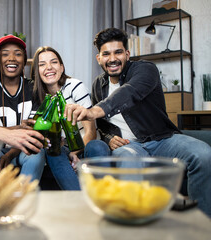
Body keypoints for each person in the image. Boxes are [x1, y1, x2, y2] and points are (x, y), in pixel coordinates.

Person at [64, 27, 211, 217]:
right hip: (128, 146)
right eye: (106, 54)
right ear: (99, 58)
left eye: (118, 52)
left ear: (127, 53)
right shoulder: (98, 84)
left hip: (162, 139)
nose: (113, 59)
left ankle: (203, 222)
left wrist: (93, 111)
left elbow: (129, 93)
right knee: (129, 162)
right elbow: (104, 126)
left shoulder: (145, 69)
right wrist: (109, 138)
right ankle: (133, 226)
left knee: (203, 154)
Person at [31, 46, 110, 190]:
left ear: (61, 67)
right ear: (37, 71)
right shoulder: (37, 98)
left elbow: (91, 132)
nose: (49, 67)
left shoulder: (75, 86)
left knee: (98, 146)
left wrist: (75, 153)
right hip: (62, 149)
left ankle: (103, 197)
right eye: (42, 64)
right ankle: (79, 200)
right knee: (53, 151)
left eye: (54, 62)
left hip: (87, 144)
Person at [0, 35, 46, 182]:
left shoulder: (34, 88)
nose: (12, 58)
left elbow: (34, 131)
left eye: (18, 54)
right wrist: (21, 128)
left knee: (36, 155)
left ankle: (25, 198)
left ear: (25, 60)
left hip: (23, 149)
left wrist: (11, 154)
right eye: (5, 54)